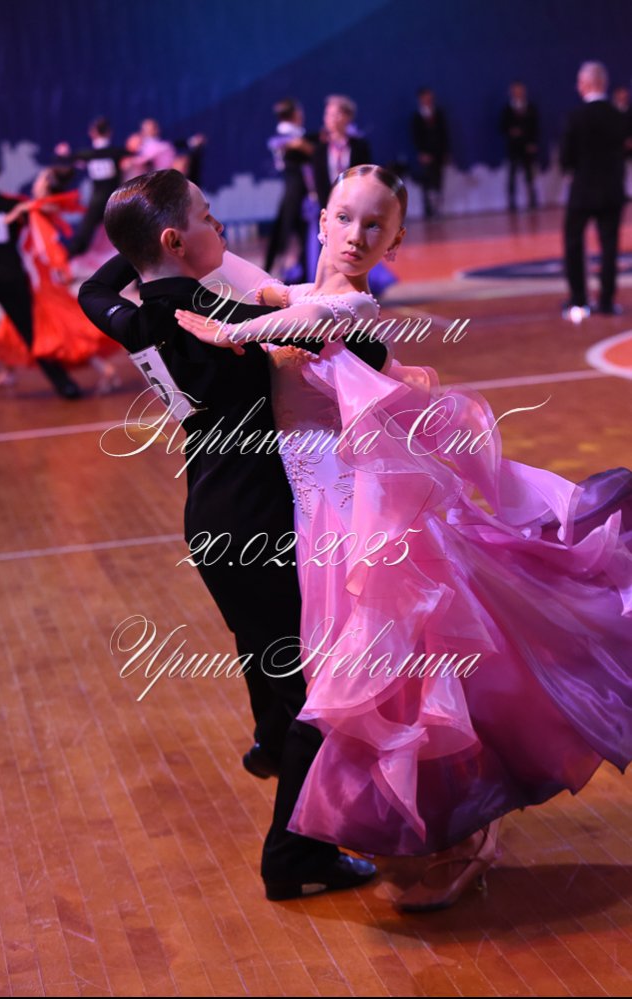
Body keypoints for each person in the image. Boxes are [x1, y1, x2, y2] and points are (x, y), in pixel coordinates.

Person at [177, 164, 632, 911]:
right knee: (366, 681)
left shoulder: (349, 304)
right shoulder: (294, 294)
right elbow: (237, 275)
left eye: (375, 225)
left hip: (363, 521)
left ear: (395, 242)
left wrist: (230, 329)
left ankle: (428, 824)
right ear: (320, 220)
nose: (356, 235)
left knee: (388, 676)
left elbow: (299, 321)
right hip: (315, 517)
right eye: (345, 217)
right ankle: (377, 818)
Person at [78, 168, 384, 900]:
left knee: (268, 653)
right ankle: (294, 856)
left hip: (210, 515)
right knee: (319, 689)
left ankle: (271, 743)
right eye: (207, 218)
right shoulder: (208, 313)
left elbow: (92, 290)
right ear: (176, 240)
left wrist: (139, 247)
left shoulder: (138, 316)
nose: (220, 228)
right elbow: (358, 349)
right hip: (254, 518)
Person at [0, 166, 120, 394]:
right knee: (14, 325)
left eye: (40, 179)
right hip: (33, 277)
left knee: (62, 329)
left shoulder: (37, 210)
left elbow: (47, 245)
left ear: (45, 186)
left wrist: (60, 267)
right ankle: (8, 373)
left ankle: (106, 369)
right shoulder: (37, 207)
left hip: (40, 281)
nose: (36, 182)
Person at [0, 154, 81, 401]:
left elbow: (48, 209)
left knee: (32, 333)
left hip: (10, 281)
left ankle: (65, 385)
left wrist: (38, 196)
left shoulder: (12, 204)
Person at [560, 61, 627, 320]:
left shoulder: (576, 117)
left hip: (582, 191)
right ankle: (607, 301)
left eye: (579, 82)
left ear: (587, 84)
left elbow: (566, 158)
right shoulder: (618, 116)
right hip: (611, 191)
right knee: (609, 246)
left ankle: (579, 300)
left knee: (574, 242)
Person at [55, 116, 128, 259]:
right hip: (115, 199)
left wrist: (64, 154)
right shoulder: (115, 152)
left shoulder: (89, 154)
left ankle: (69, 257)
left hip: (101, 199)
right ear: (109, 132)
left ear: (93, 133)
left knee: (86, 232)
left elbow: (67, 160)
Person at [264, 98, 313, 280]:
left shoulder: (294, 136)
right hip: (295, 188)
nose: (301, 115)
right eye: (298, 111)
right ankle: (275, 272)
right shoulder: (288, 135)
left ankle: (300, 271)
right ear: (293, 114)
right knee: (287, 231)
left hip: (297, 188)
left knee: (295, 231)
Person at [311, 95, 371, 209]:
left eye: (336, 114)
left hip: (355, 204)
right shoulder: (320, 149)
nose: (331, 119)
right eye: (328, 114)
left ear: (348, 117)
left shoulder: (359, 146)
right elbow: (319, 183)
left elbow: (365, 177)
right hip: (329, 205)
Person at [500, 81, 539, 211]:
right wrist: (511, 131)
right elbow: (502, 126)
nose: (518, 93)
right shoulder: (507, 109)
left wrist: (532, 143)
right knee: (512, 174)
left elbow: (535, 127)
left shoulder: (530, 108)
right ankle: (512, 201)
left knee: (529, 174)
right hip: (513, 147)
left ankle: (532, 199)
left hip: (526, 146)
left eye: (520, 90)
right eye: (515, 91)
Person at [411, 88, 449, 219]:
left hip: (438, 153)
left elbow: (444, 133)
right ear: (420, 99)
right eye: (425, 97)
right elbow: (416, 136)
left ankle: (438, 209)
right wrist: (421, 152)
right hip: (426, 154)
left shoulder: (438, 113)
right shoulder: (417, 117)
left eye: (430, 97)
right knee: (428, 182)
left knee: (438, 180)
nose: (428, 100)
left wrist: (445, 151)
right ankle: (429, 210)